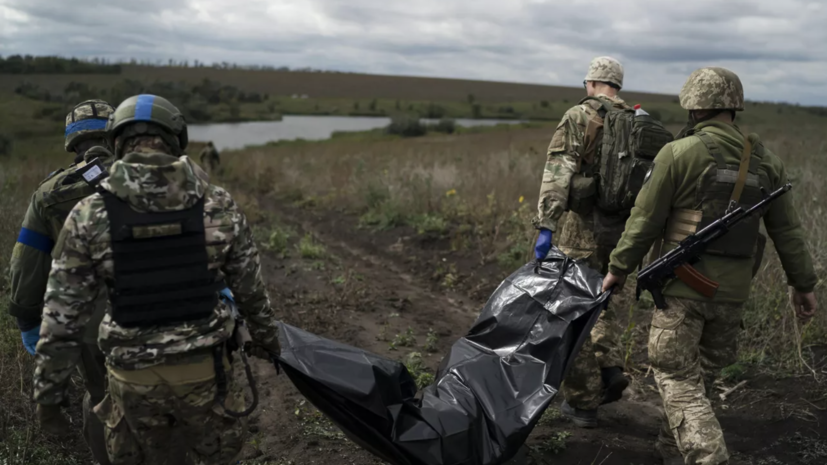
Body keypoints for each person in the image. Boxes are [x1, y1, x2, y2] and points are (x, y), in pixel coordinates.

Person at [33, 94, 281, 465]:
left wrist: (48, 400)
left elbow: (62, 321)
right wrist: (267, 340)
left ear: (116, 142)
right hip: (205, 376)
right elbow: (251, 292)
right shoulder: (217, 204)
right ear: (177, 137)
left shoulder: (89, 214)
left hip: (131, 383)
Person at [603, 68, 818, 465]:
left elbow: (645, 220)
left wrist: (617, 269)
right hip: (732, 296)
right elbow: (788, 231)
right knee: (698, 381)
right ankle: (672, 450)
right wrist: (803, 285)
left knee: (675, 376)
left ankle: (708, 457)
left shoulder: (679, 152)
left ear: (693, 106)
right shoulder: (768, 162)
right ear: (734, 106)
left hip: (682, 293)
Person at [9, 99, 115, 464]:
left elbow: (26, 266)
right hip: (158, 312)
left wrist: (27, 320)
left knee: (102, 398)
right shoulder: (152, 178)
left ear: (72, 142)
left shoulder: (49, 193)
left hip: (87, 324)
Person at [532, 56, 632, 427]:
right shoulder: (637, 121)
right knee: (602, 304)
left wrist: (546, 226)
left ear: (589, 83)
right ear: (617, 85)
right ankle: (608, 367)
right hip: (623, 235)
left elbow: (558, 170)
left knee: (568, 311)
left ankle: (583, 401)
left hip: (581, 231)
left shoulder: (579, 116)